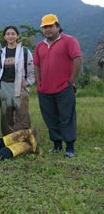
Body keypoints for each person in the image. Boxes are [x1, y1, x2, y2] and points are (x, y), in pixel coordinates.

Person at [33, 14, 82, 158]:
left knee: (67, 117)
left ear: (58, 27)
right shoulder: (40, 46)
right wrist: (39, 83)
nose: (47, 30)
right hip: (45, 89)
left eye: (50, 26)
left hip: (63, 88)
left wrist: (71, 81)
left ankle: (70, 147)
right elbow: (36, 65)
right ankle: (57, 145)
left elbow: (77, 59)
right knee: (50, 117)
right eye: (45, 27)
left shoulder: (69, 41)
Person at [0, 26, 35, 136]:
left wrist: (28, 82)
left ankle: (24, 141)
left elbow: (32, 71)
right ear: (4, 37)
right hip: (5, 87)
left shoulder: (25, 52)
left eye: (13, 34)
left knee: (23, 115)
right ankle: (9, 141)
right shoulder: (1, 53)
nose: (10, 36)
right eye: (8, 34)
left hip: (20, 86)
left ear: (17, 36)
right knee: (6, 116)